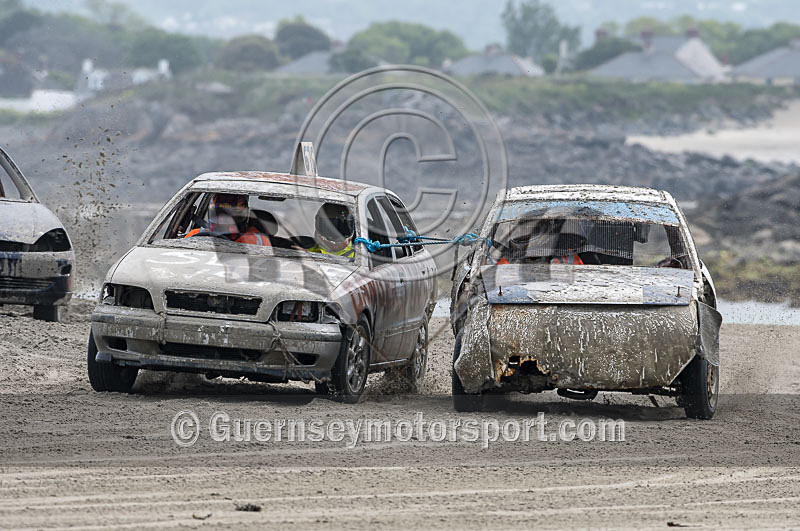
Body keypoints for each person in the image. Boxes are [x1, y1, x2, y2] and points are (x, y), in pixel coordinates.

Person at [185, 193, 270, 246]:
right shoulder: (194, 235)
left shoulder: (258, 241)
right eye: (219, 214)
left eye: (229, 215)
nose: (223, 220)